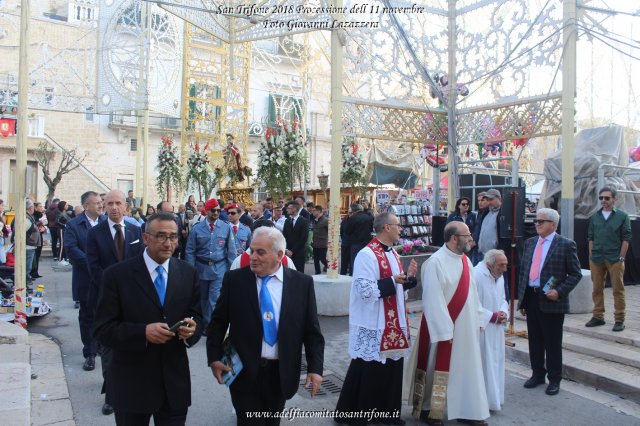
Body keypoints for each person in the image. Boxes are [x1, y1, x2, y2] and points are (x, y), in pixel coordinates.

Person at [207, 226, 325, 425]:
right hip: (242, 370)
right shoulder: (234, 280)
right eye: (251, 250)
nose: (253, 257)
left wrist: (315, 369)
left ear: (279, 255)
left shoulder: (301, 284)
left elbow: (311, 331)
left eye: (260, 252)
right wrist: (214, 357)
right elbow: (218, 322)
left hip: (281, 373)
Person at [93, 212, 202, 425]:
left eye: (173, 236)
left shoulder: (188, 273)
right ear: (145, 238)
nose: (168, 243)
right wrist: (142, 333)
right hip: (131, 384)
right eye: (161, 236)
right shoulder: (117, 275)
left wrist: (193, 330)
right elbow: (102, 329)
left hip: (174, 383)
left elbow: (197, 315)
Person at [335, 212, 417, 425]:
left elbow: (396, 287)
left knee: (391, 367)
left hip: (392, 321)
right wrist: (393, 280)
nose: (401, 229)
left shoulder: (394, 254)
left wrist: (408, 281)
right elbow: (364, 290)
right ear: (386, 228)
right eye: (398, 225)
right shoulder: (367, 254)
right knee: (369, 368)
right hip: (374, 321)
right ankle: (359, 414)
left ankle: (387, 412)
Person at [411, 221, 489, 426]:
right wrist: (444, 330)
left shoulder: (465, 261)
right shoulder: (435, 262)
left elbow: (473, 294)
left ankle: (468, 410)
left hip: (467, 327)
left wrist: (479, 318)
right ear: (454, 238)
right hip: (445, 329)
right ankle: (429, 409)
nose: (471, 238)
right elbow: (432, 299)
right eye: (467, 235)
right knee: (437, 367)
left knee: (467, 368)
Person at [86, 189, 145, 416]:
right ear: (103, 206)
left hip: (133, 301)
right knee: (109, 350)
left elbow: (141, 263)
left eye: (118, 203)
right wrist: (115, 291)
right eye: (109, 203)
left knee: (132, 347)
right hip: (105, 301)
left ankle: (133, 390)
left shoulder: (135, 230)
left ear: (126, 206)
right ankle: (111, 396)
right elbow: (94, 268)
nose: (114, 207)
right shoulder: (95, 233)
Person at [517, 208, 581, 396]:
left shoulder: (566, 245)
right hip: (532, 297)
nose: (536, 224)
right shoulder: (530, 243)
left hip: (551, 300)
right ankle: (537, 374)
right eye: (536, 221)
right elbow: (524, 272)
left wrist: (559, 291)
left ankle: (554, 379)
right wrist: (522, 300)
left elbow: (575, 274)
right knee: (534, 341)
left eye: (541, 221)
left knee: (552, 342)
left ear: (553, 224)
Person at [64, 191, 104, 372]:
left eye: (101, 202)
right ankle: (89, 353)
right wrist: (93, 264)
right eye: (96, 203)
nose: (100, 206)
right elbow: (71, 249)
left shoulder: (105, 222)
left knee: (104, 314)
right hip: (86, 278)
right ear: (86, 206)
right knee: (87, 316)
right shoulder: (73, 225)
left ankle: (102, 344)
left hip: (105, 278)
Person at [585, 187, 632, 332]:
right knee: (597, 288)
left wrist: (621, 257)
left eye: (606, 198)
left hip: (615, 258)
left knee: (618, 289)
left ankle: (619, 319)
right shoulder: (595, 217)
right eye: (601, 198)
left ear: (613, 199)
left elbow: (626, 238)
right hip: (597, 257)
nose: (603, 201)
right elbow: (591, 238)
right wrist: (591, 256)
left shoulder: (623, 216)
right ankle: (598, 316)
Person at [185, 198, 235, 330]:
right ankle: (201, 322)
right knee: (202, 298)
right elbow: (190, 250)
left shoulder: (226, 227)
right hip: (201, 268)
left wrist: (232, 270)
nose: (216, 213)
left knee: (214, 298)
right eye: (213, 210)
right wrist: (191, 270)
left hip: (219, 268)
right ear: (206, 211)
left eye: (219, 210)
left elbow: (231, 250)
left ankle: (210, 326)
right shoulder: (197, 229)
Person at [475, 249, 509, 411]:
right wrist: (492, 316)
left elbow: (503, 298)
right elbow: (472, 304)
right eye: (501, 265)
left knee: (495, 363)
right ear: (489, 265)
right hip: (483, 329)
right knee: (484, 365)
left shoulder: (499, 276)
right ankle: (482, 403)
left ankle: (494, 399)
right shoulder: (476, 275)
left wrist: (504, 312)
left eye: (506, 265)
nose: (504, 269)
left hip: (497, 329)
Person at [344, 203, 374, 274]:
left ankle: (353, 276)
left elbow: (347, 231)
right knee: (364, 261)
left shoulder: (353, 218)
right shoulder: (368, 217)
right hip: (367, 242)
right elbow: (371, 229)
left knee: (354, 261)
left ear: (353, 210)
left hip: (356, 243)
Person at [282, 201, 310, 273]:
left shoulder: (303, 221)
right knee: (288, 273)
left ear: (294, 210)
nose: (286, 210)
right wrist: (286, 249)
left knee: (299, 273)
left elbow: (303, 238)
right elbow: (284, 236)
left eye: (289, 208)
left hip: (298, 252)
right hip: (287, 252)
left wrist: (293, 251)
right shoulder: (287, 221)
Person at [311, 205, 328, 275]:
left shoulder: (325, 220)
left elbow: (329, 231)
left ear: (319, 211)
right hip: (315, 243)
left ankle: (330, 268)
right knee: (315, 259)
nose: (312, 212)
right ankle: (317, 273)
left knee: (322, 258)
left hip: (323, 243)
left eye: (314, 211)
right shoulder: (315, 220)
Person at [31, 202, 46, 279]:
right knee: (35, 255)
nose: (41, 208)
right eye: (40, 206)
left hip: (39, 236)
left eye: (42, 206)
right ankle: (33, 272)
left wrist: (43, 228)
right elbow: (33, 224)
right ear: (35, 208)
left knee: (38, 254)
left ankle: (36, 271)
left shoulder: (40, 215)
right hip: (34, 238)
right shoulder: (33, 215)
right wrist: (40, 223)